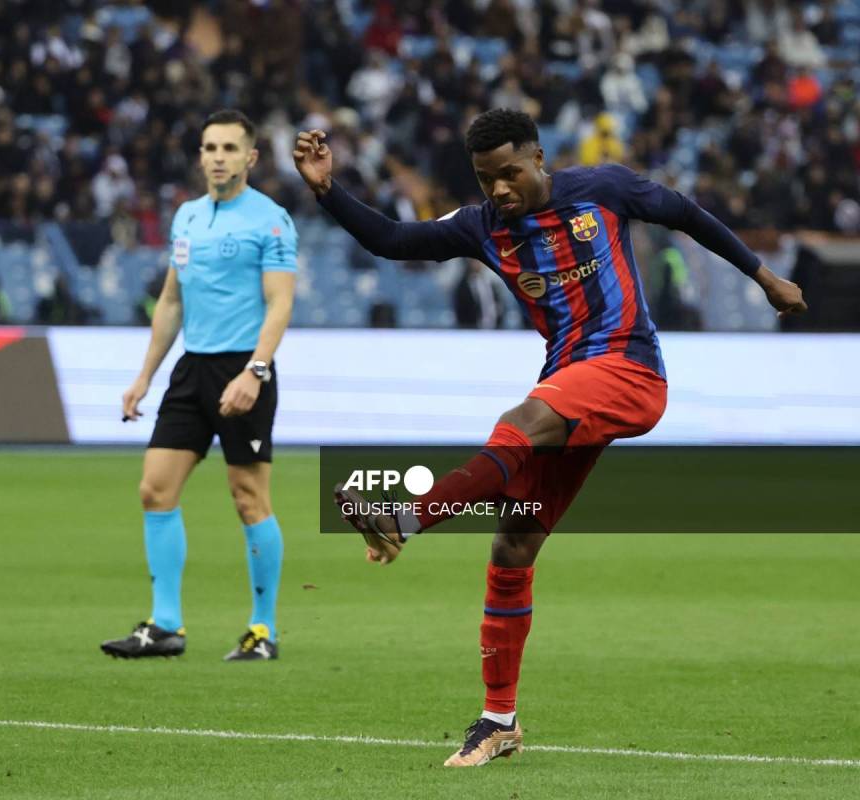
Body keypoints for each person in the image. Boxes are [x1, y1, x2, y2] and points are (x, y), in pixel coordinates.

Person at [292, 108, 806, 767]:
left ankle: (404, 520)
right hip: (568, 382)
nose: (500, 190)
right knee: (514, 540)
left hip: (629, 370)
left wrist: (763, 277)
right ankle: (498, 721)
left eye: (510, 173)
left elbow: (683, 212)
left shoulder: (603, 188)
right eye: (486, 180)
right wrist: (326, 189)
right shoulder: (481, 227)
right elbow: (392, 239)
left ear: (538, 159)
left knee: (522, 422)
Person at [102, 110, 298, 662]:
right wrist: (144, 376)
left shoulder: (272, 220)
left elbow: (281, 301)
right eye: (210, 147)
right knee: (154, 489)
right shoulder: (187, 217)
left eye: (230, 148)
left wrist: (255, 372)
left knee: (248, 498)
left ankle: (263, 630)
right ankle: (166, 625)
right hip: (192, 370)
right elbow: (171, 301)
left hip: (244, 368)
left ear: (250, 158)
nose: (217, 156)